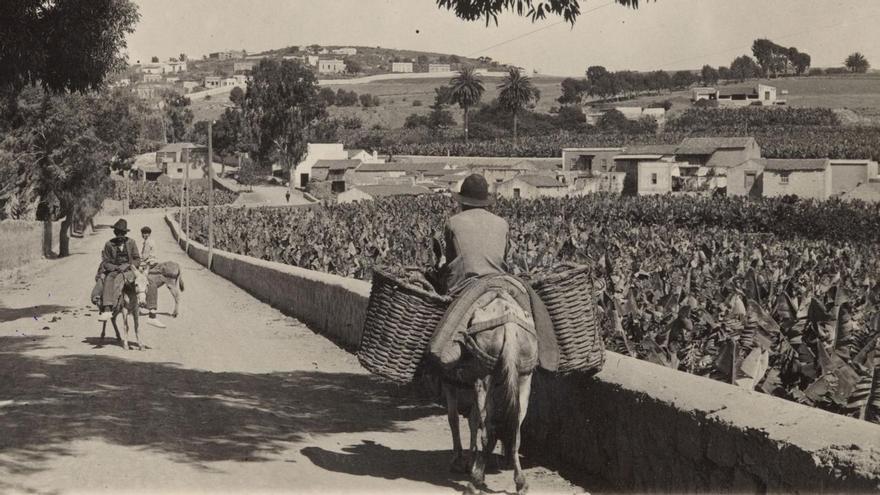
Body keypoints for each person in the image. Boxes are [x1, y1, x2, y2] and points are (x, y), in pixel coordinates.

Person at [439, 173, 509, 295]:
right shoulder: (502, 223)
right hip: (497, 283)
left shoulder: (453, 222)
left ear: (462, 201)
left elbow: (450, 262)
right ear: (485, 201)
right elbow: (504, 260)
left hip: (462, 286)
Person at [94, 219, 141, 322]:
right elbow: (105, 262)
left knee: (146, 280)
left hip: (129, 270)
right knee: (109, 278)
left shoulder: (131, 243)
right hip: (115, 270)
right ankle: (107, 308)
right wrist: (115, 268)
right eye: (117, 233)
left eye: (122, 233)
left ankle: (150, 310)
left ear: (125, 233)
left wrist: (127, 265)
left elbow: (137, 259)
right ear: (115, 233)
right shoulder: (109, 244)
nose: (120, 235)